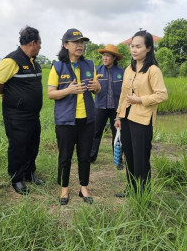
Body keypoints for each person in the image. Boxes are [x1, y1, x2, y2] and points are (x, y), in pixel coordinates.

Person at [47, 28, 101, 205]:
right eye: (76, 42)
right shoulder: (57, 67)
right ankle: (64, 189)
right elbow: (50, 94)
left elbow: (97, 88)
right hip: (65, 120)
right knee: (65, 156)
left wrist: (96, 87)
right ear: (65, 44)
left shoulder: (89, 65)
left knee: (84, 156)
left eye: (82, 42)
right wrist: (68, 90)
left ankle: (83, 188)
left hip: (87, 119)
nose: (80, 45)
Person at [0, 26, 44, 195]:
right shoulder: (11, 61)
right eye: (40, 43)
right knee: (18, 146)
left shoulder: (34, 62)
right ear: (33, 43)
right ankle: (17, 178)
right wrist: (7, 95)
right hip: (16, 115)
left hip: (33, 114)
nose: (41, 47)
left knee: (32, 144)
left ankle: (29, 173)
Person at [114, 31, 168, 197]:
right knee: (129, 155)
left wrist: (140, 100)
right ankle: (131, 188)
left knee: (141, 159)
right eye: (132, 46)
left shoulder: (153, 70)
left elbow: (162, 95)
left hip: (142, 119)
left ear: (148, 48)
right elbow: (123, 95)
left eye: (139, 46)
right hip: (126, 118)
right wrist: (118, 116)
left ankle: (143, 194)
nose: (134, 49)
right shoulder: (128, 69)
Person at [90, 44, 124, 164]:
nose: (104, 58)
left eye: (107, 56)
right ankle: (91, 157)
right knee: (95, 132)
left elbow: (125, 91)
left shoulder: (121, 72)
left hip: (116, 108)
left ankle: (118, 159)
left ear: (114, 58)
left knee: (118, 134)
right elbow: (92, 89)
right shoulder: (97, 71)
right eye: (103, 55)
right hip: (100, 107)